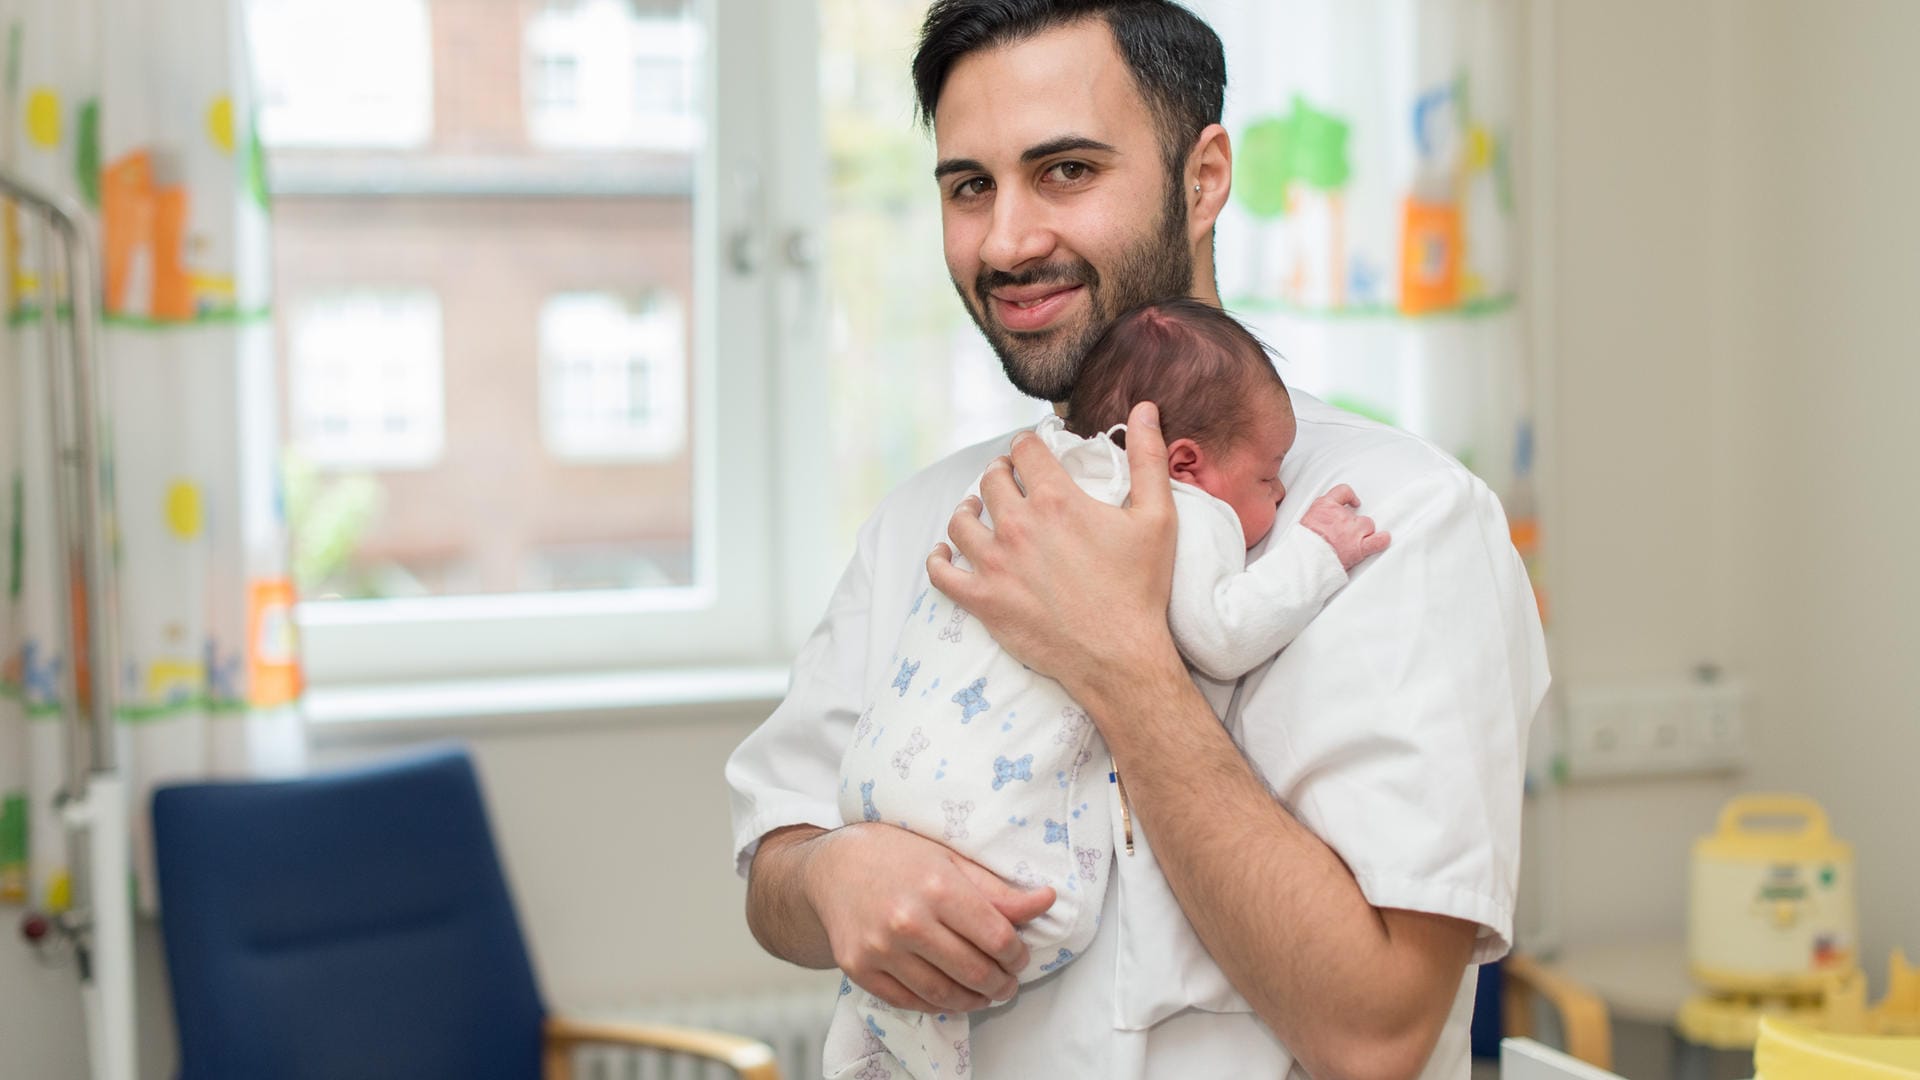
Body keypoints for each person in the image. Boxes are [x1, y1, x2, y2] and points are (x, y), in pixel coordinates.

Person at [725, 2, 1549, 1077]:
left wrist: (1119, 658)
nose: (1008, 240)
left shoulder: (1404, 524)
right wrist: (835, 880)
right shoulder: (929, 519)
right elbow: (773, 863)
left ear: (1203, 179)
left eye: (1065, 170)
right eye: (970, 185)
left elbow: (1374, 1034)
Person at [826, 299, 1388, 1080]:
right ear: (1183, 461)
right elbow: (1221, 636)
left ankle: (878, 1036)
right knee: (1032, 931)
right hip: (990, 838)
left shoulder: (1033, 478)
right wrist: (1319, 555)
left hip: (883, 792)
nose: (1283, 497)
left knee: (908, 978)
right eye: (1268, 476)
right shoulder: (1177, 508)